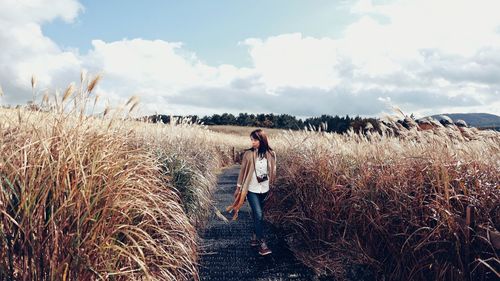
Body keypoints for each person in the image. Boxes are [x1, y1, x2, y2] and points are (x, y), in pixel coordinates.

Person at [225, 128, 277, 256]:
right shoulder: (248, 154)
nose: (252, 142)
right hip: (251, 189)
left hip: (265, 189)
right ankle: (262, 244)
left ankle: (254, 236)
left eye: (254, 140)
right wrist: (238, 187)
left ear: (262, 140)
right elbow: (242, 171)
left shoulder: (271, 154)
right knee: (258, 214)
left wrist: (273, 186)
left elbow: (273, 171)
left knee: (259, 216)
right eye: (251, 140)